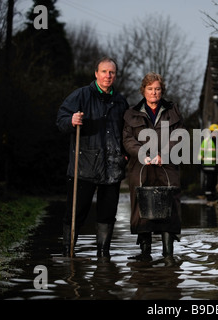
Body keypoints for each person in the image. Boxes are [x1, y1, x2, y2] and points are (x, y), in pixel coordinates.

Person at [56, 57, 129, 259]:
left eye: (112, 72)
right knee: (75, 213)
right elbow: (60, 120)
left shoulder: (121, 101)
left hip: (112, 167)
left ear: (115, 75)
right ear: (96, 74)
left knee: (107, 214)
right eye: (104, 72)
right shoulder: (80, 96)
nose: (108, 76)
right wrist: (71, 120)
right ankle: (67, 253)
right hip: (83, 166)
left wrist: (125, 153)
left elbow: (128, 132)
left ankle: (103, 255)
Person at [123, 72, 184, 263]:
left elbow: (179, 136)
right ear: (143, 90)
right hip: (140, 166)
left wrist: (163, 155)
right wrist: (143, 153)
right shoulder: (131, 112)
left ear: (162, 90)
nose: (154, 92)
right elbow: (127, 139)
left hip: (166, 166)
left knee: (170, 205)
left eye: (157, 89)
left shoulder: (173, 110)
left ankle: (168, 252)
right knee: (141, 206)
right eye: (150, 89)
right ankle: (145, 252)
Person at [199, 124, 218, 200]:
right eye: (214, 132)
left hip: (216, 166)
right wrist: (200, 163)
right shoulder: (206, 142)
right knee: (210, 180)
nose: (215, 134)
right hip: (208, 165)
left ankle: (213, 194)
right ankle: (209, 195)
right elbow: (201, 153)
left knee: (214, 180)